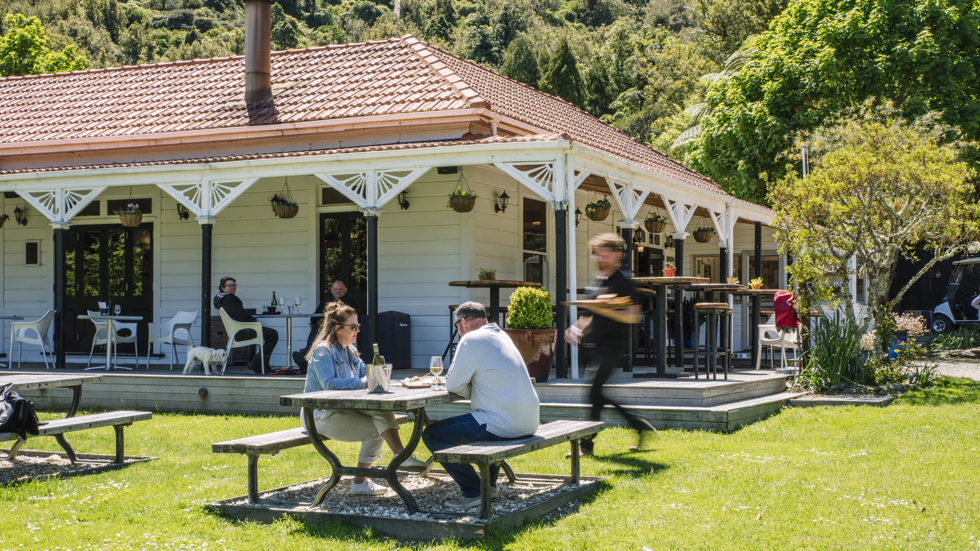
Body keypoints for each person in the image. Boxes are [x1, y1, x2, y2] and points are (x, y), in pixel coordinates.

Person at [421, 301, 540, 510]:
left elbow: (453, 384)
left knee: (432, 434)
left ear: (464, 322)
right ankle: (489, 487)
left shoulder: (471, 339)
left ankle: (474, 491)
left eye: (457, 327)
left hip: (505, 424)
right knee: (486, 417)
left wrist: (469, 389)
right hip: (529, 421)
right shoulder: (501, 336)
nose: (458, 332)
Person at [303, 302, 425, 495]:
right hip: (321, 414)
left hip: (346, 408)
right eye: (353, 327)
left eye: (358, 326)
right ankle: (366, 478)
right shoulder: (323, 350)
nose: (357, 330)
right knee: (377, 429)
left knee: (382, 410)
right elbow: (328, 383)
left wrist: (380, 378)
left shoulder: (351, 351)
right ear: (337, 328)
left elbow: (366, 378)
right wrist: (365, 382)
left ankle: (399, 457)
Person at [565, 233, 655, 456]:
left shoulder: (623, 282)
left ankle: (586, 445)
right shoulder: (598, 281)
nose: (600, 259)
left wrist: (607, 309)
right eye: (598, 255)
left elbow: (633, 316)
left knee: (594, 392)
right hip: (597, 345)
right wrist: (577, 327)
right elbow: (589, 314)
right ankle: (639, 425)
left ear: (616, 256)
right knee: (596, 394)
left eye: (605, 255)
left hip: (614, 345)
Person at [213, 276, 278, 374]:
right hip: (243, 331)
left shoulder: (222, 300)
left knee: (271, 334)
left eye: (234, 285)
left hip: (237, 330)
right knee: (272, 335)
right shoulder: (227, 299)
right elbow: (240, 314)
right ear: (223, 288)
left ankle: (260, 363)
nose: (233, 287)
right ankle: (258, 362)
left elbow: (238, 314)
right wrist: (252, 320)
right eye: (229, 286)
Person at [293, 280, 360, 372]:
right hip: (327, 329)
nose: (338, 291)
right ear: (332, 291)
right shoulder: (326, 301)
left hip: (342, 330)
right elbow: (314, 318)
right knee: (317, 329)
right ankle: (306, 355)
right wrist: (321, 322)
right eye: (336, 289)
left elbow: (354, 319)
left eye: (340, 289)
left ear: (345, 290)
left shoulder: (350, 302)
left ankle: (307, 361)